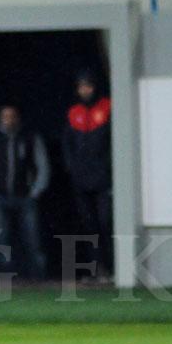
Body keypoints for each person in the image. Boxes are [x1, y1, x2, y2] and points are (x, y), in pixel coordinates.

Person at [0, 104, 50, 279]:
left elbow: (43, 165)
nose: (9, 120)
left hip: (25, 197)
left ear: (18, 118)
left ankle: (39, 278)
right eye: (5, 117)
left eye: (12, 116)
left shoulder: (30, 138)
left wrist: (36, 190)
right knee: (2, 240)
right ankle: (5, 278)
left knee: (33, 238)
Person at [62, 69, 112, 279]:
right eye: (82, 87)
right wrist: (73, 170)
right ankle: (95, 269)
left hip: (104, 179)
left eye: (88, 86)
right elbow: (68, 146)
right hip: (82, 180)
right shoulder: (74, 113)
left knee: (106, 223)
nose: (85, 91)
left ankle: (111, 268)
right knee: (88, 226)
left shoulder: (107, 107)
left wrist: (108, 170)